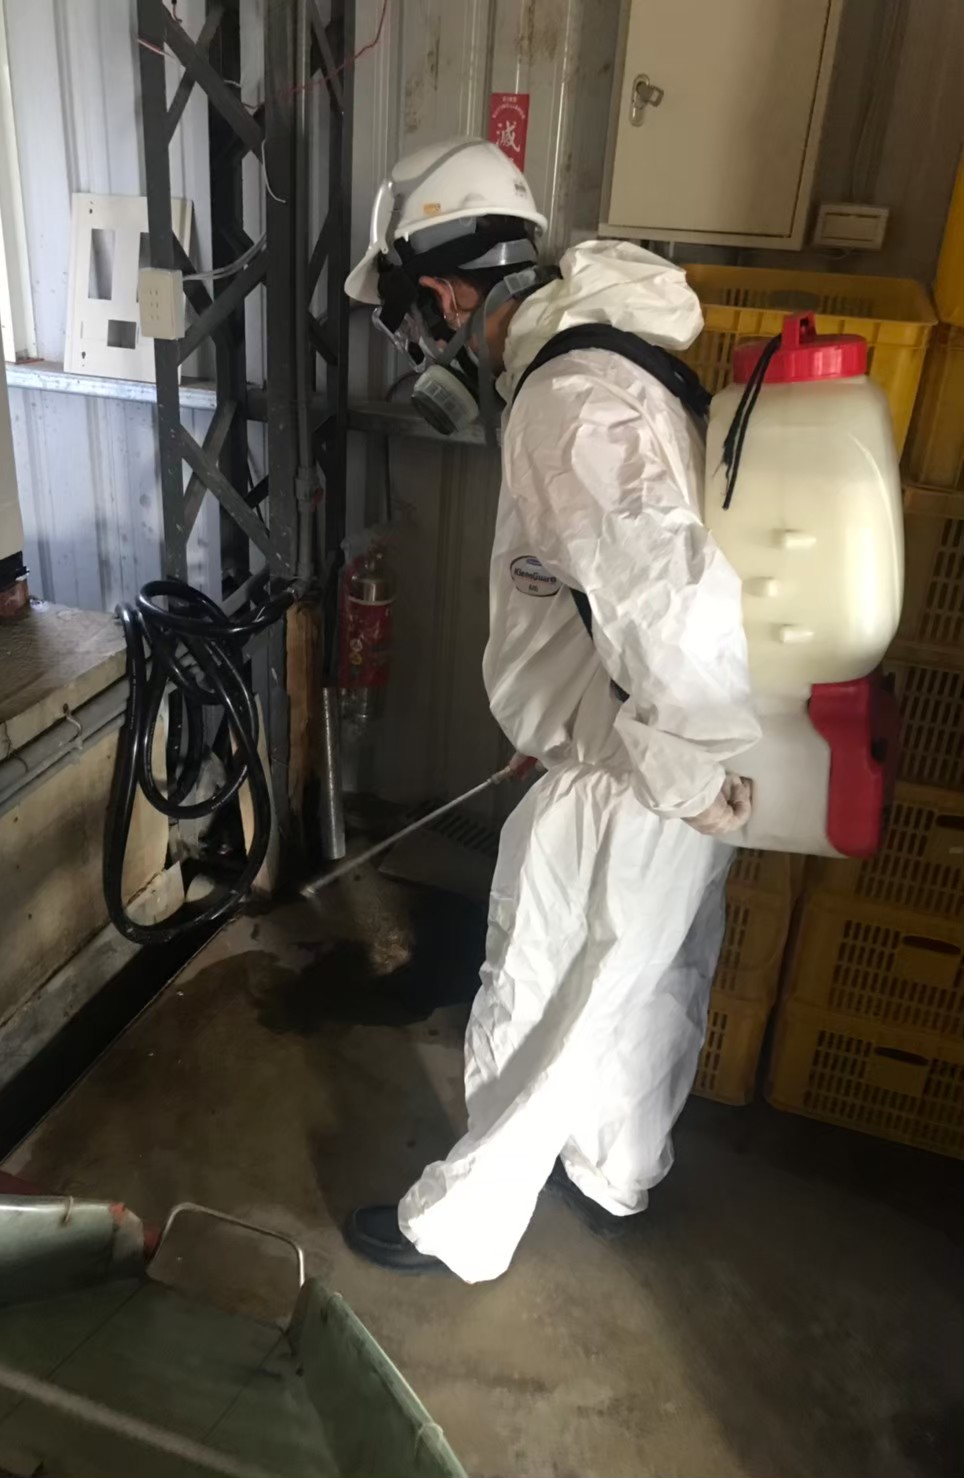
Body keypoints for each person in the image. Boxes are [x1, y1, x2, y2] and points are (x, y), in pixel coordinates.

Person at [342, 138, 760, 1284]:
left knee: (544, 1002)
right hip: (655, 761)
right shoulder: (617, 363)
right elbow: (606, 592)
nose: (421, 349)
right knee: (645, 985)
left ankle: (458, 1226)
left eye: (411, 321)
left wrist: (678, 771)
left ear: (444, 291)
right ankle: (619, 1170)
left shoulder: (565, 400)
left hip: (632, 778)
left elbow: (667, 599)